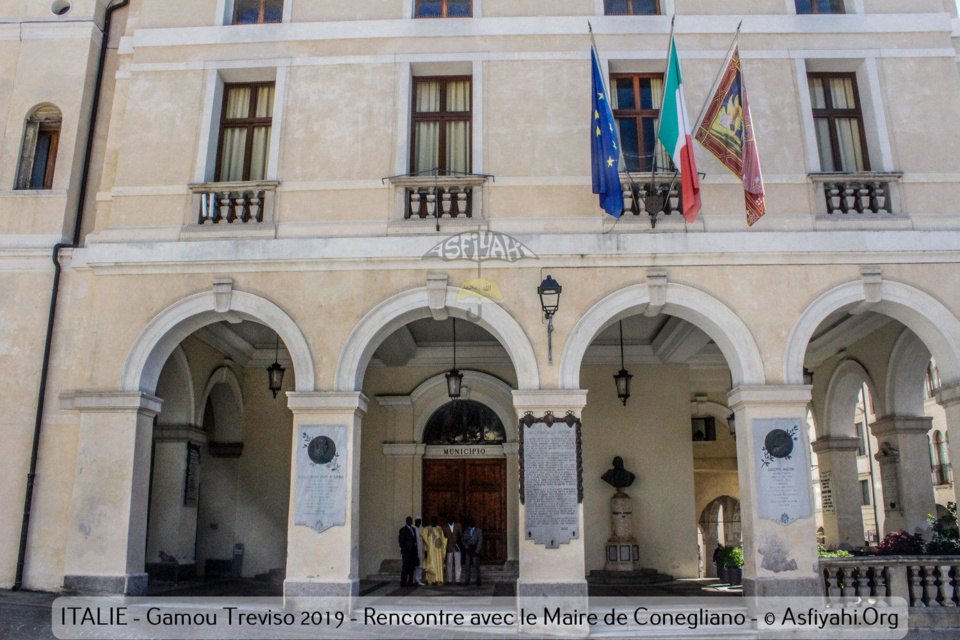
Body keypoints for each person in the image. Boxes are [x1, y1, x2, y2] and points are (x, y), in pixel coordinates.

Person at [421, 516, 446, 585]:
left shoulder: (439, 528)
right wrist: (426, 550)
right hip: (431, 551)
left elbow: (443, 539)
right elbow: (425, 540)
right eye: (433, 520)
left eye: (435, 520)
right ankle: (431, 580)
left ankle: (438, 579)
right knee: (431, 564)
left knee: (438, 564)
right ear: (431, 521)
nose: (434, 521)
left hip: (438, 551)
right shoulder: (427, 529)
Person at [461, 517, 483, 586]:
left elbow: (480, 540)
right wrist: (466, 547)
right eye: (470, 522)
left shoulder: (478, 531)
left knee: (476, 566)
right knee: (467, 566)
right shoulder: (466, 531)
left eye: (472, 522)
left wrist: (477, 550)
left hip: (475, 549)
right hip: (468, 549)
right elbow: (463, 540)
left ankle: (478, 580)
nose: (471, 524)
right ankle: (467, 580)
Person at [442, 514, 462, 585]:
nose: (450, 519)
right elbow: (443, 537)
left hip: (457, 547)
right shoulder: (444, 527)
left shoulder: (458, 525)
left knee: (458, 564)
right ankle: (449, 580)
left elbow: (461, 536)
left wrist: (460, 545)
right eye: (449, 518)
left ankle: (458, 580)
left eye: (451, 518)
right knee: (449, 564)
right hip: (449, 547)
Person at [398, 516, 418, 587]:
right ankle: (403, 581)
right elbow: (401, 540)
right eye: (409, 520)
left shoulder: (413, 529)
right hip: (406, 551)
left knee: (411, 567)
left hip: (412, 551)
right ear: (406, 521)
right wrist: (404, 548)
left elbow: (414, 540)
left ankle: (410, 581)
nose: (411, 521)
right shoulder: (403, 530)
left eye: (411, 520)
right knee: (405, 567)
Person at [413, 516, 426, 586]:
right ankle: (412, 579)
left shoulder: (422, 529)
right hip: (414, 549)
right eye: (417, 520)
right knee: (413, 565)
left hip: (421, 549)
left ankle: (418, 579)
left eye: (419, 521)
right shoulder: (413, 528)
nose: (418, 522)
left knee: (420, 565)